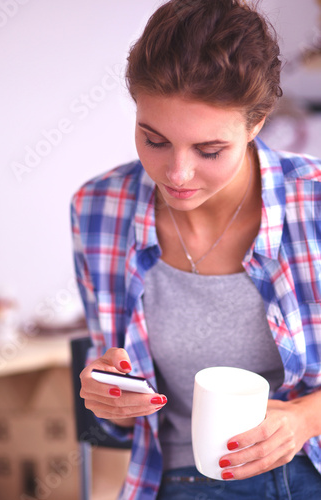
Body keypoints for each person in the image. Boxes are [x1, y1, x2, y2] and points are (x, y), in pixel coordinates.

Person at [70, 1, 321, 498]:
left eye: (209, 151)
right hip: (178, 480)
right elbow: (117, 404)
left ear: (257, 123)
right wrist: (106, 394)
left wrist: (305, 418)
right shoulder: (98, 209)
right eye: (154, 140)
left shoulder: (313, 201)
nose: (177, 175)